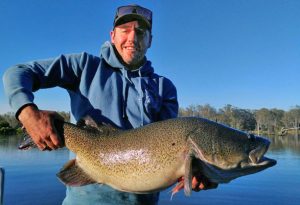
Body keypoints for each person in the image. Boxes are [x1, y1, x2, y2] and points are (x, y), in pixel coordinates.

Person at [3, 4, 217, 205]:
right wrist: (27, 112)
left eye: (141, 32)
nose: (133, 37)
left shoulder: (164, 88)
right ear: (112, 35)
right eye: (125, 29)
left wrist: (195, 173)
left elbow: (172, 149)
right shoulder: (84, 66)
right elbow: (17, 72)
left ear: (150, 40)